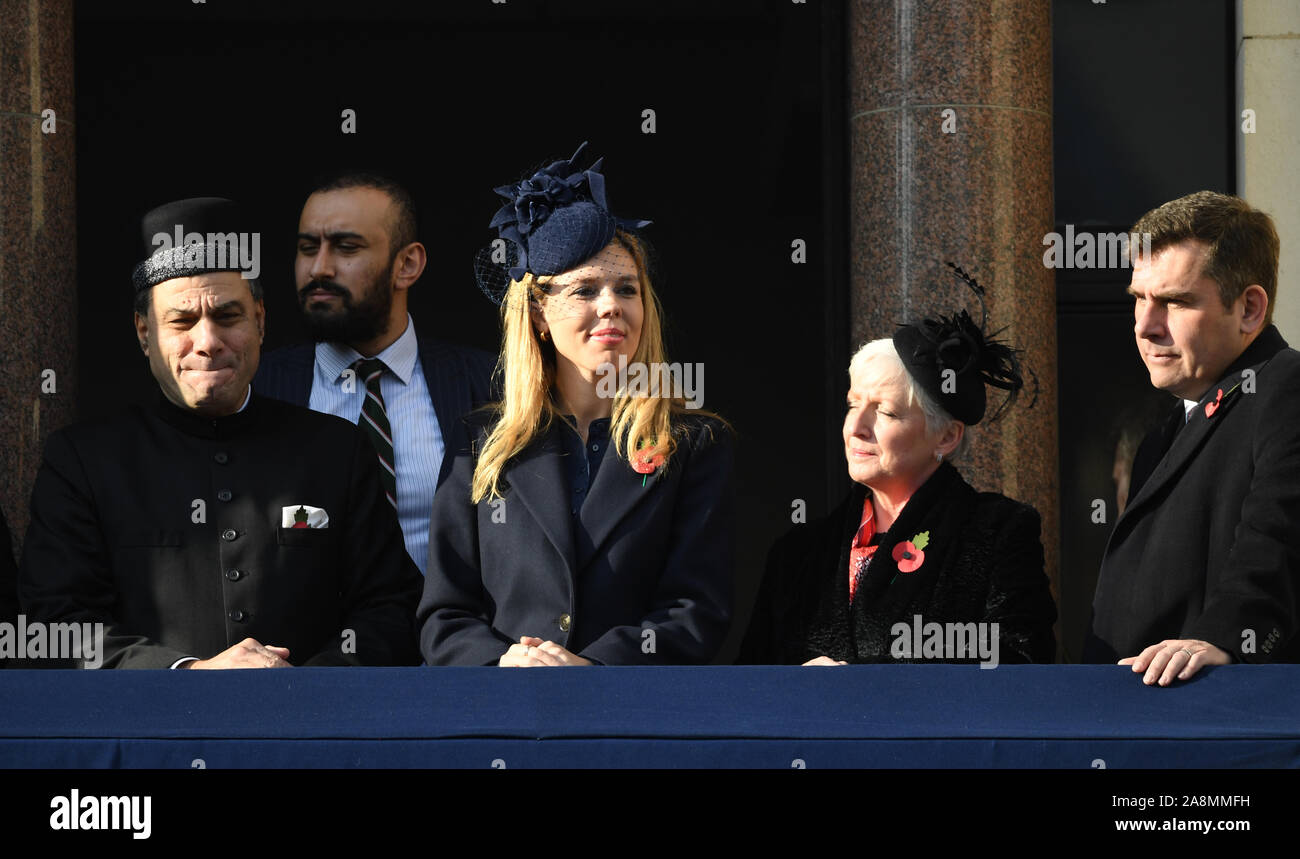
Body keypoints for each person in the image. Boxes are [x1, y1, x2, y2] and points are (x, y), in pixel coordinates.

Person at [19, 197, 423, 669]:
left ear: (261, 321)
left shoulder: (336, 449)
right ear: (144, 332)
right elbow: (55, 625)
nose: (207, 342)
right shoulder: (84, 461)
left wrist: (305, 685)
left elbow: (392, 609)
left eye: (228, 316)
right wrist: (188, 673)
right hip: (149, 736)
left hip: (311, 731)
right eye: (182, 321)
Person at [418, 143, 735, 666]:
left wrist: (594, 666)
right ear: (539, 315)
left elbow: (695, 609)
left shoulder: (694, 443)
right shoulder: (480, 443)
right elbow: (444, 615)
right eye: (585, 290)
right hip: (505, 715)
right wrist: (503, 663)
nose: (610, 304)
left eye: (626, 289)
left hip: (628, 722)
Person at [740, 265, 1057, 665]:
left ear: (946, 436)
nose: (856, 427)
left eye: (885, 412)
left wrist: (865, 683)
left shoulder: (996, 534)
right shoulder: (798, 555)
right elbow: (751, 684)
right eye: (853, 405)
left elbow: (1020, 662)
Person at [1085, 191, 1300, 684]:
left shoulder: (1285, 387)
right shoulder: (1164, 432)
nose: (1145, 326)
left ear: (1249, 308)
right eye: (1139, 299)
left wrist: (1228, 638)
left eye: (1176, 301)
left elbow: (1279, 537)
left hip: (1223, 729)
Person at [255, 172, 495, 574]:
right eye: (307, 248)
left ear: (407, 264)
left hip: (449, 634)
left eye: (346, 248)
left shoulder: (488, 383)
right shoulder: (260, 388)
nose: (319, 269)